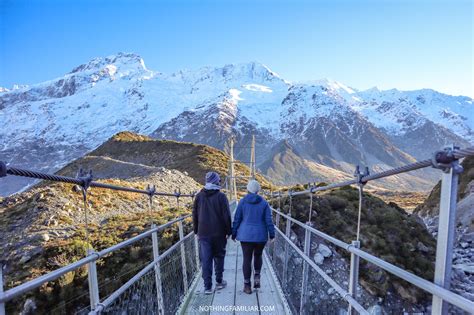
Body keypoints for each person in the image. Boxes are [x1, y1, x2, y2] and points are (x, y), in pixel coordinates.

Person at [232, 179, 275, 294]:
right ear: (258, 191)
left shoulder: (242, 202)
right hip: (260, 235)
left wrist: (234, 232)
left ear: (248, 189)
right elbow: (268, 220)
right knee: (258, 255)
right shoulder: (264, 203)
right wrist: (272, 234)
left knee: (247, 258)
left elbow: (237, 219)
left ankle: (247, 285)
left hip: (245, 235)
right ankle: (257, 276)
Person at [193, 171, 232, 294]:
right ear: (216, 181)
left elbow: (194, 214)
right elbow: (227, 216)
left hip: (203, 233)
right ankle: (219, 282)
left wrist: (196, 230)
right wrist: (229, 231)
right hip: (219, 233)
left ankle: (207, 287)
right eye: (219, 180)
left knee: (206, 259)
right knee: (219, 256)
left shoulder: (199, 196)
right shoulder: (221, 196)